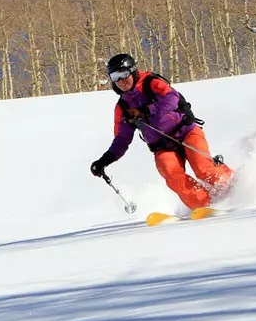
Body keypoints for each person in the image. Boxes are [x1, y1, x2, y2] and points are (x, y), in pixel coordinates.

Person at [89, 53, 235, 211]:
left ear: (132, 71)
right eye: (115, 76)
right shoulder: (122, 107)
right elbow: (122, 139)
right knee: (172, 175)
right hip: (163, 146)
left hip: (186, 132)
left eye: (123, 74)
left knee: (203, 168)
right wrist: (104, 161)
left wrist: (145, 111)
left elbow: (172, 98)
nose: (121, 81)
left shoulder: (150, 83)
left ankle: (235, 189)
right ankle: (206, 206)